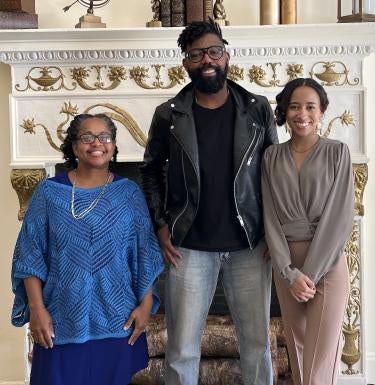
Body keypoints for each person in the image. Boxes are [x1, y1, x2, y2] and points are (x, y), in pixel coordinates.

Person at [140, 19, 278, 385]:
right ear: (185, 62)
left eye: (214, 51)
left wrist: (273, 234)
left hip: (250, 245)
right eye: (197, 54)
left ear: (227, 55)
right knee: (182, 348)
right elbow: (150, 171)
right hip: (189, 247)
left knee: (256, 344)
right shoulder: (169, 114)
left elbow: (273, 174)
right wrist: (161, 226)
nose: (207, 60)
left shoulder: (257, 109)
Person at [11, 113, 164, 385]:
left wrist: (147, 306)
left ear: (114, 146)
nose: (97, 143)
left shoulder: (129, 194)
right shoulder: (48, 193)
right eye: (87, 137)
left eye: (105, 137)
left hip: (118, 320)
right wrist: (36, 309)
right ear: (74, 146)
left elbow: (145, 254)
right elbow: (29, 255)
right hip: (60, 318)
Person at [261, 78, 354, 385]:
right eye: (295, 106)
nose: (302, 114)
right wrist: (289, 274)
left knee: (319, 364)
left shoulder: (338, 153)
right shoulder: (271, 157)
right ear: (285, 111)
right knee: (299, 359)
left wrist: (308, 275)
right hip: (287, 267)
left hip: (325, 267)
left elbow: (339, 218)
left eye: (310, 107)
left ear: (322, 111)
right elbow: (270, 218)